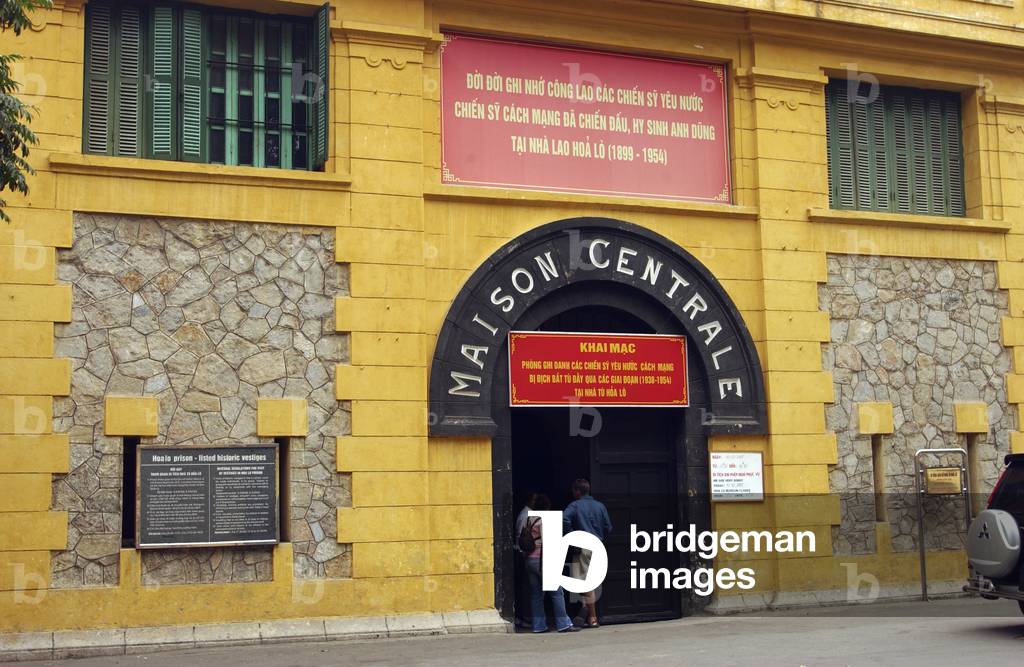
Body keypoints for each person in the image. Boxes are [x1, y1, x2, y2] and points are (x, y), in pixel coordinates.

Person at [523, 494, 578, 633]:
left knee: (536, 595)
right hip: (543, 560)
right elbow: (548, 542)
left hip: (530, 560)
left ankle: (539, 626)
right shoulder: (545, 520)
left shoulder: (529, 519)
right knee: (557, 593)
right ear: (547, 507)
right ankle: (563, 623)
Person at [563, 478, 612, 629]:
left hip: (583, 546)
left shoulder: (575, 505)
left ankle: (592, 617)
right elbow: (608, 527)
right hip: (598, 545)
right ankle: (585, 609)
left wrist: (573, 535)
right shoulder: (600, 506)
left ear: (577, 491)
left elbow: (564, 519)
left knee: (585, 582)